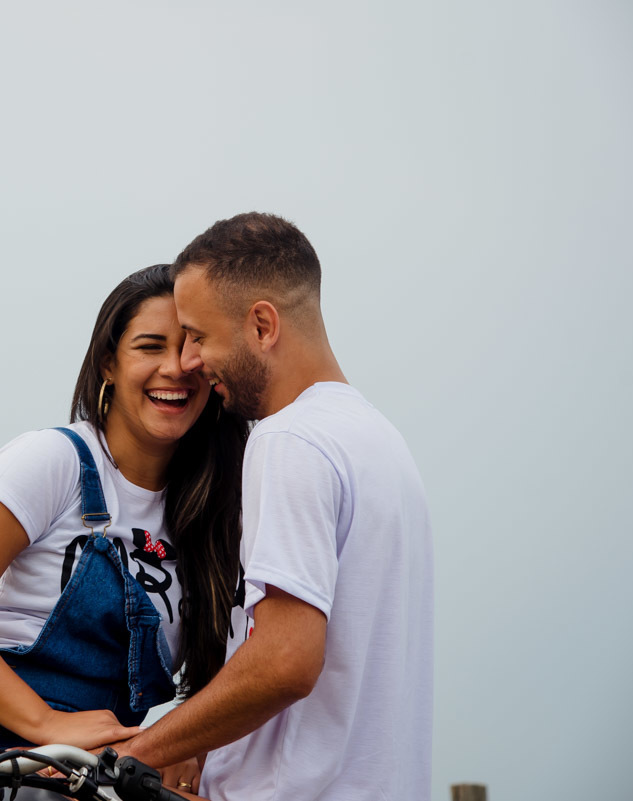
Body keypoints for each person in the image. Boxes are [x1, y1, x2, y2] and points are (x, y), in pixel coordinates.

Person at [114, 213, 434, 800]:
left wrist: (135, 753)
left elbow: (286, 661)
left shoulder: (288, 441)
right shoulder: (381, 442)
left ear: (262, 324)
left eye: (199, 336)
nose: (188, 362)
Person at [0, 264, 246, 764]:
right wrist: (47, 724)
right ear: (108, 363)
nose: (175, 367)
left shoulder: (211, 515)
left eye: (190, 348)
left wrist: (182, 752)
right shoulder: (54, 461)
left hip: (93, 774)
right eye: (150, 347)